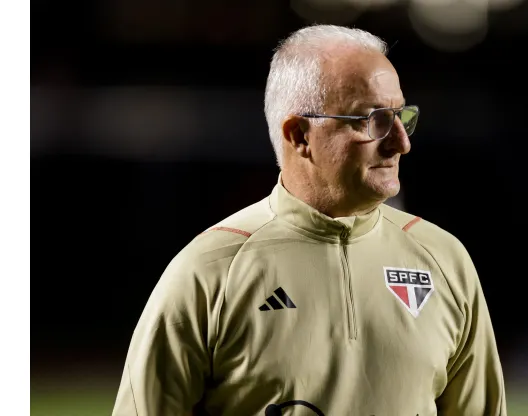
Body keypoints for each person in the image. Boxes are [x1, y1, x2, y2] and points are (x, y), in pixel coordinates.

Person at [112, 24, 507, 416]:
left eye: (401, 115)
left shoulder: (444, 261)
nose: (401, 141)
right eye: (372, 120)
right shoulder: (208, 274)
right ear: (300, 134)